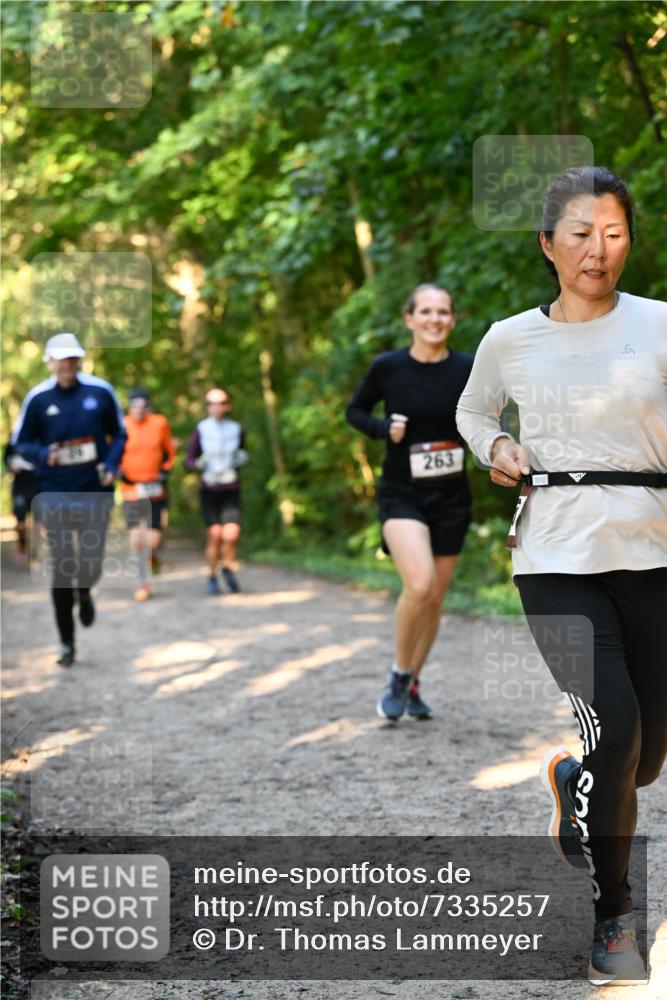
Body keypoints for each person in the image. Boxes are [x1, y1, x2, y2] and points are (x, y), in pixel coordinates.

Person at [456, 166, 667, 986]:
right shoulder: (511, 338)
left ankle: (573, 779)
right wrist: (496, 447)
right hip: (554, 558)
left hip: (653, 554)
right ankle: (614, 912)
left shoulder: (658, 325)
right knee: (615, 726)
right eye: (580, 234)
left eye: (612, 234)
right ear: (548, 244)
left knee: (642, 758)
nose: (596, 250)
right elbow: (475, 412)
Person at [346, 284, 473, 721]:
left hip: (452, 496)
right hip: (402, 492)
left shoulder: (469, 368)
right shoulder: (389, 367)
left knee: (435, 597)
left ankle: (414, 681)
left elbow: (493, 415)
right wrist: (384, 429)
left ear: (452, 319)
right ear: (409, 318)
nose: (434, 319)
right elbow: (354, 411)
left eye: (443, 312)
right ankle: (400, 673)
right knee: (418, 585)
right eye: (426, 311)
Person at [11, 333, 126, 667]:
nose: (66, 365)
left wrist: (111, 464)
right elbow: (21, 443)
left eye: (72, 359)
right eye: (60, 359)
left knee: (90, 563)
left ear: (79, 360)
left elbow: (119, 434)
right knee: (62, 567)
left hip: (94, 491)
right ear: (49, 362)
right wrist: (44, 453)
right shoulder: (38, 398)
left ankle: (86, 590)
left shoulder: (100, 392)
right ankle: (66, 643)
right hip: (55, 493)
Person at [185, 387, 248, 595]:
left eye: (221, 403)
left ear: (228, 406)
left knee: (231, 534)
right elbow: (189, 460)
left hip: (230, 487)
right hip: (209, 488)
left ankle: (228, 567)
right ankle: (212, 576)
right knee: (215, 534)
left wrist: (241, 459)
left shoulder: (236, 429)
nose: (217, 408)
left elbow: (242, 452)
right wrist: (198, 464)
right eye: (212, 403)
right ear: (208, 407)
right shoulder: (202, 429)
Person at [119, 388, 176, 601]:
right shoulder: (122, 425)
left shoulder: (160, 423)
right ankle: (143, 583)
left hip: (154, 488)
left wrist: (165, 470)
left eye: (143, 406)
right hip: (131, 488)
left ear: (148, 407)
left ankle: (153, 556)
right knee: (136, 539)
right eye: (134, 406)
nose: (139, 411)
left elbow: (169, 451)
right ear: (129, 406)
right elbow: (114, 450)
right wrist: (117, 470)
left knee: (152, 541)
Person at [3, 440, 39, 562]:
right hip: (20, 488)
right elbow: (6, 461)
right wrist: (11, 466)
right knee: (21, 524)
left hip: (37, 487)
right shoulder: (13, 442)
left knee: (37, 524)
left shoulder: (38, 439)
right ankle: (22, 548)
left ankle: (34, 553)